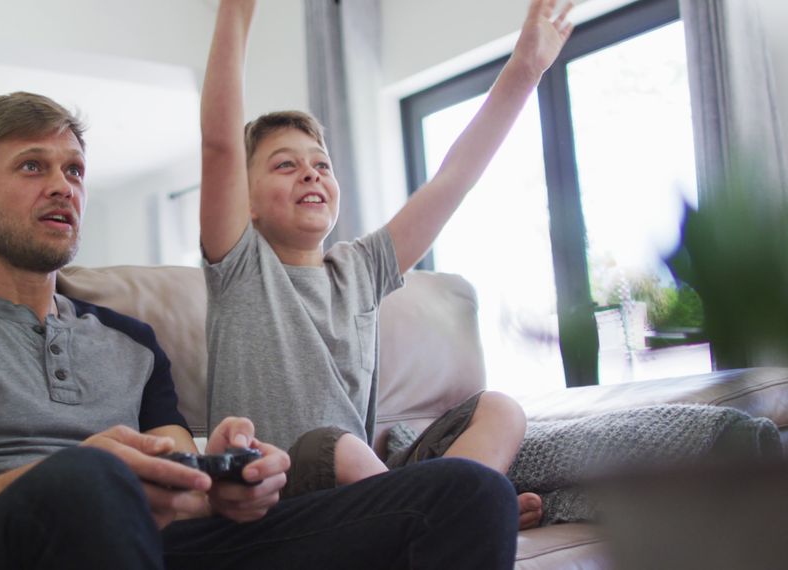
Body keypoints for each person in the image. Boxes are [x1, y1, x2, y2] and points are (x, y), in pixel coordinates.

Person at [0, 91, 520, 569]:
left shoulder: (131, 339)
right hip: (18, 547)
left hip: (172, 552)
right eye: (31, 167)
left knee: (467, 495)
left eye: (73, 169)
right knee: (89, 482)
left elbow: (180, 483)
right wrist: (77, 469)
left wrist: (224, 483)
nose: (63, 186)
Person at [200, 0, 573, 530]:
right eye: (285, 165)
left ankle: (447, 509)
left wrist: (526, 67)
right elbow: (218, 146)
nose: (309, 173)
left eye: (321, 164)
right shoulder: (239, 267)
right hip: (280, 497)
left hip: (368, 491)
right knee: (339, 446)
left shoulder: (361, 267)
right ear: (247, 202)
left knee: (500, 409)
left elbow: (454, 178)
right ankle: (457, 517)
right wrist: (236, 13)